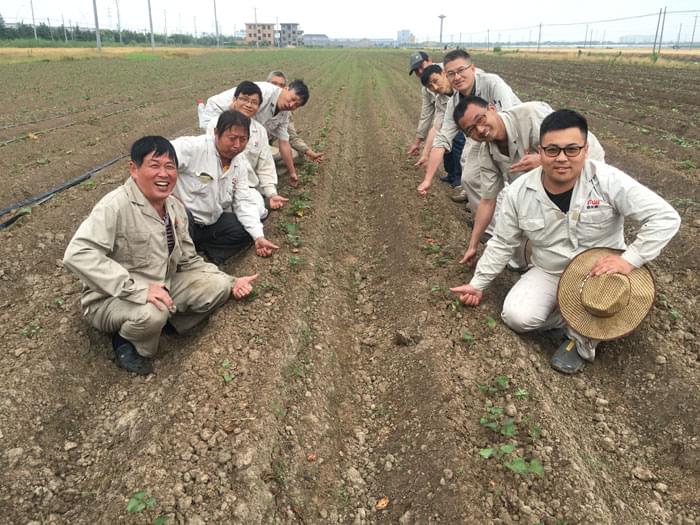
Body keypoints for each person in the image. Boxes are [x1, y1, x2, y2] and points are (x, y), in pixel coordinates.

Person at [450, 109, 681, 374]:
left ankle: (583, 337)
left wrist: (629, 260)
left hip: (599, 273)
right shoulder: (518, 192)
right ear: (540, 151)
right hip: (550, 269)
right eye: (552, 150)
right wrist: (478, 284)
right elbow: (503, 243)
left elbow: (665, 217)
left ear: (585, 149)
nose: (562, 158)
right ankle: (573, 316)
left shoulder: (607, 180)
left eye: (571, 149)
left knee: (601, 298)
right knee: (516, 317)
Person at [63, 136, 259, 375]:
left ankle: (165, 325)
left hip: (161, 285)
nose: (164, 174)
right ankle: (125, 340)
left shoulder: (174, 208)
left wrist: (231, 281)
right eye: (154, 166)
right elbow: (78, 254)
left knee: (217, 286)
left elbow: (189, 259)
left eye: (170, 167)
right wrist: (138, 289)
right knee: (153, 312)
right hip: (111, 297)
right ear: (134, 169)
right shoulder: (115, 206)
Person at [453, 98, 605, 269]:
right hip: (549, 182)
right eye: (471, 130)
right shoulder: (487, 154)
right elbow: (488, 201)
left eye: (480, 119)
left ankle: (592, 263)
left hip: (584, 161)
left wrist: (543, 160)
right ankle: (547, 266)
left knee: (582, 220)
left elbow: (572, 145)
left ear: (492, 109)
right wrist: (473, 245)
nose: (480, 130)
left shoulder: (531, 116)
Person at [417, 49, 521, 221]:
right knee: (469, 178)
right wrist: (428, 179)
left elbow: (508, 119)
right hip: (480, 137)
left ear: (472, 68)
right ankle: (488, 226)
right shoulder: (454, 102)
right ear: (447, 75)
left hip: (511, 133)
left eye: (461, 71)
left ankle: (508, 222)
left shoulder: (492, 83)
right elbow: (443, 138)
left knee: (508, 179)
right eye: (451, 74)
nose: (456, 77)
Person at [173, 110, 279, 265]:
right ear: (216, 133)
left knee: (244, 229)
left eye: (243, 139)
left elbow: (244, 200)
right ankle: (184, 261)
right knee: (180, 218)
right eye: (232, 138)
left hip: (209, 223)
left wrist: (258, 236)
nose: (237, 145)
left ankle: (205, 254)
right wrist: (168, 198)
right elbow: (157, 159)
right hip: (182, 222)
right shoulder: (192, 148)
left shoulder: (239, 163)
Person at [201, 79, 309, 186]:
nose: (291, 105)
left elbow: (284, 143)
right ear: (285, 89)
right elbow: (236, 107)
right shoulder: (264, 93)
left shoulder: (284, 113)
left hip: (240, 123)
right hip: (218, 112)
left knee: (250, 154)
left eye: (296, 105)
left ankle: (244, 183)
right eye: (292, 99)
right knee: (222, 156)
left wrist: (292, 173)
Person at [206, 81, 288, 213]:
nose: (249, 105)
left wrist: (271, 194)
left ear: (259, 107)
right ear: (234, 100)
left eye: (254, 102)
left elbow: (265, 165)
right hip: (218, 185)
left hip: (246, 187)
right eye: (244, 99)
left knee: (258, 211)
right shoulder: (215, 124)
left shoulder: (260, 131)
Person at [266, 70, 325, 176]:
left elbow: (291, 137)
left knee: (297, 155)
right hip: (247, 146)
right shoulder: (257, 102)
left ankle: (267, 170)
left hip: (264, 147)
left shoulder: (285, 112)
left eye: (281, 85)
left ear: (285, 88)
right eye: (273, 84)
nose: (277, 88)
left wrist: (309, 152)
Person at [419, 63, 463, 188]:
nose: (435, 87)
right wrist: (425, 154)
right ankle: (451, 174)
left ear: (444, 74)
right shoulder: (440, 99)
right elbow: (437, 126)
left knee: (458, 140)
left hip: (469, 128)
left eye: (436, 81)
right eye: (430, 86)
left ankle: (460, 178)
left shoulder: (461, 87)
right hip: (453, 126)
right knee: (443, 140)